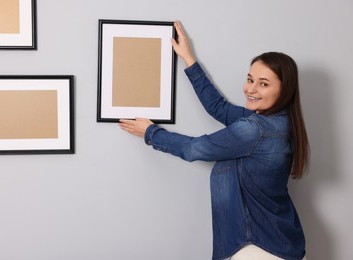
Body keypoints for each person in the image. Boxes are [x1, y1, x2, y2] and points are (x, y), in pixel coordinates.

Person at [119, 21, 309, 260]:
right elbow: (219, 108)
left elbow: (194, 148)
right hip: (284, 244)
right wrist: (189, 59)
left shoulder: (254, 129)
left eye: (264, 84)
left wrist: (150, 132)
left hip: (257, 250)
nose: (251, 89)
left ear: (285, 90)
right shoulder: (280, 122)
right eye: (250, 79)